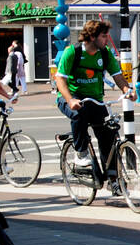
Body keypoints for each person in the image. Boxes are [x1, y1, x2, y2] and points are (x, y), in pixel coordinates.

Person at [54, 20, 134, 170]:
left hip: (95, 100)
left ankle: (113, 179)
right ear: (92, 37)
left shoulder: (105, 54)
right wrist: (70, 100)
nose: (107, 40)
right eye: (104, 36)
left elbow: (118, 76)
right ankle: (80, 153)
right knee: (79, 114)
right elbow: (60, 78)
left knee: (107, 137)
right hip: (71, 96)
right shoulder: (72, 52)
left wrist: (127, 90)